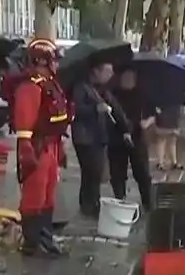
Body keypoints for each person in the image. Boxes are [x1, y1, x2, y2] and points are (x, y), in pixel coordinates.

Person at [8, 38, 71, 256]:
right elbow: (24, 118)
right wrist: (25, 147)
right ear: (43, 60)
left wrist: (60, 146)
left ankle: (45, 234)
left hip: (51, 144)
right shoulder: (30, 85)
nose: (57, 64)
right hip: (37, 146)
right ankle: (32, 241)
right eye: (54, 60)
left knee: (48, 191)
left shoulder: (50, 83)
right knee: (35, 192)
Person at [72, 62, 130, 218]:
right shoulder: (82, 88)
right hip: (85, 137)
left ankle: (90, 203)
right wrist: (94, 109)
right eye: (107, 71)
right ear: (96, 71)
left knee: (94, 173)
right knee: (92, 171)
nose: (110, 75)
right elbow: (75, 110)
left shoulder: (102, 90)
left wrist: (125, 128)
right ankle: (89, 204)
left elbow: (116, 108)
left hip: (98, 136)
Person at [108, 68, 155, 209]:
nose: (127, 81)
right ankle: (120, 199)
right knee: (117, 173)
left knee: (142, 172)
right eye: (125, 78)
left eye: (130, 78)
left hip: (137, 136)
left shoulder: (142, 94)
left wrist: (146, 122)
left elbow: (152, 114)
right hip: (116, 136)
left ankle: (147, 201)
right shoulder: (113, 94)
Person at [151, 93, 185, 170]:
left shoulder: (159, 92)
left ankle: (161, 163)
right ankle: (173, 162)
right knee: (172, 142)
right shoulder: (176, 93)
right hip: (173, 118)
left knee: (162, 141)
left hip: (164, 118)